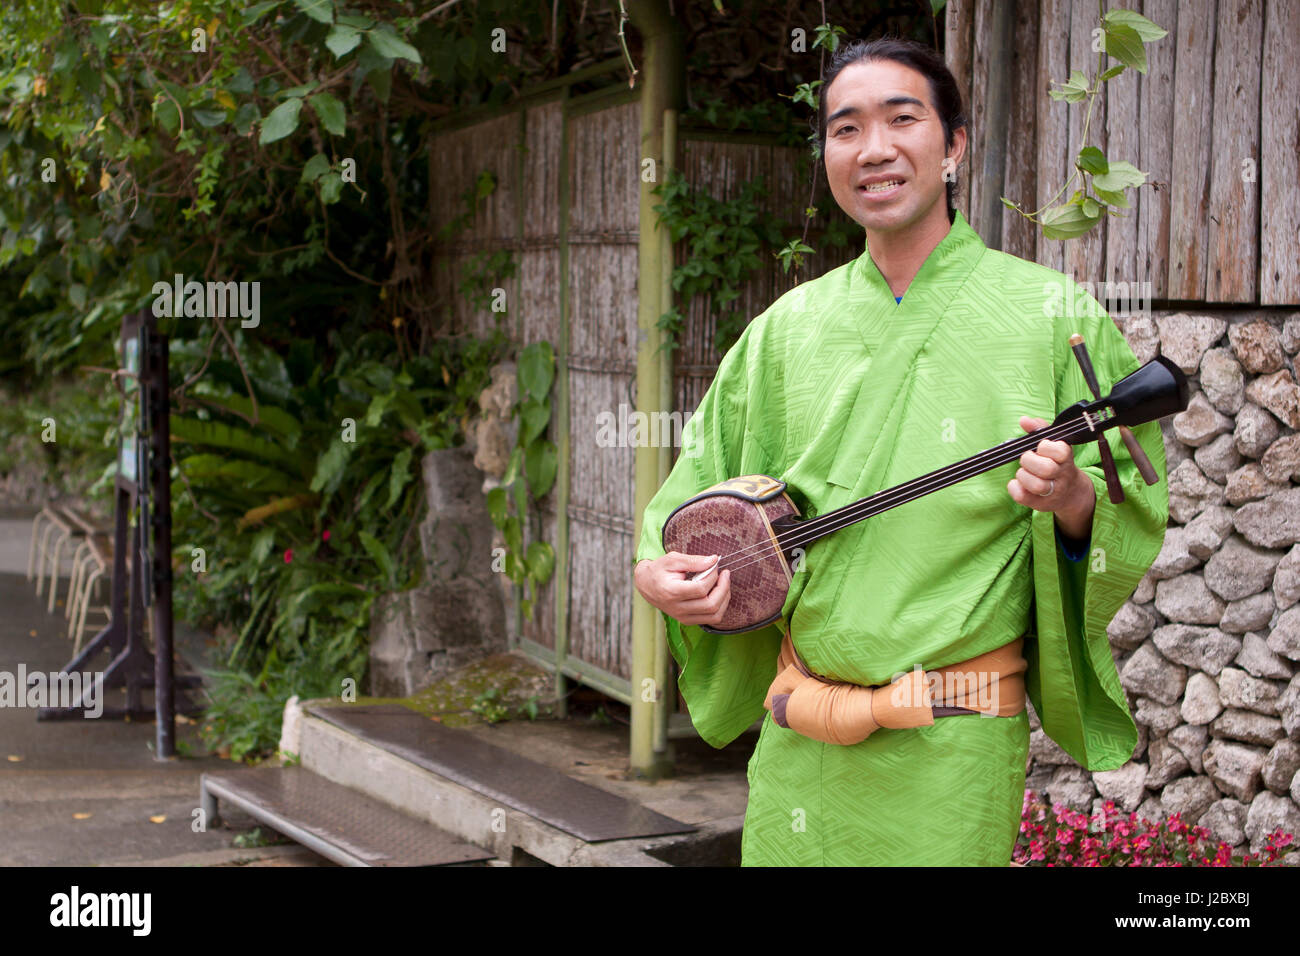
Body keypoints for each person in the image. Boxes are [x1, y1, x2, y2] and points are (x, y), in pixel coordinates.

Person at [632, 37, 1169, 866]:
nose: (873, 149)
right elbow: (691, 489)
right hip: (800, 734)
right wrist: (658, 570)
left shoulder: (1047, 313)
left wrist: (1071, 502)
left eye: (902, 119)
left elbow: (1131, 494)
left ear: (952, 146)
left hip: (949, 742)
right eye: (846, 129)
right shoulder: (787, 329)